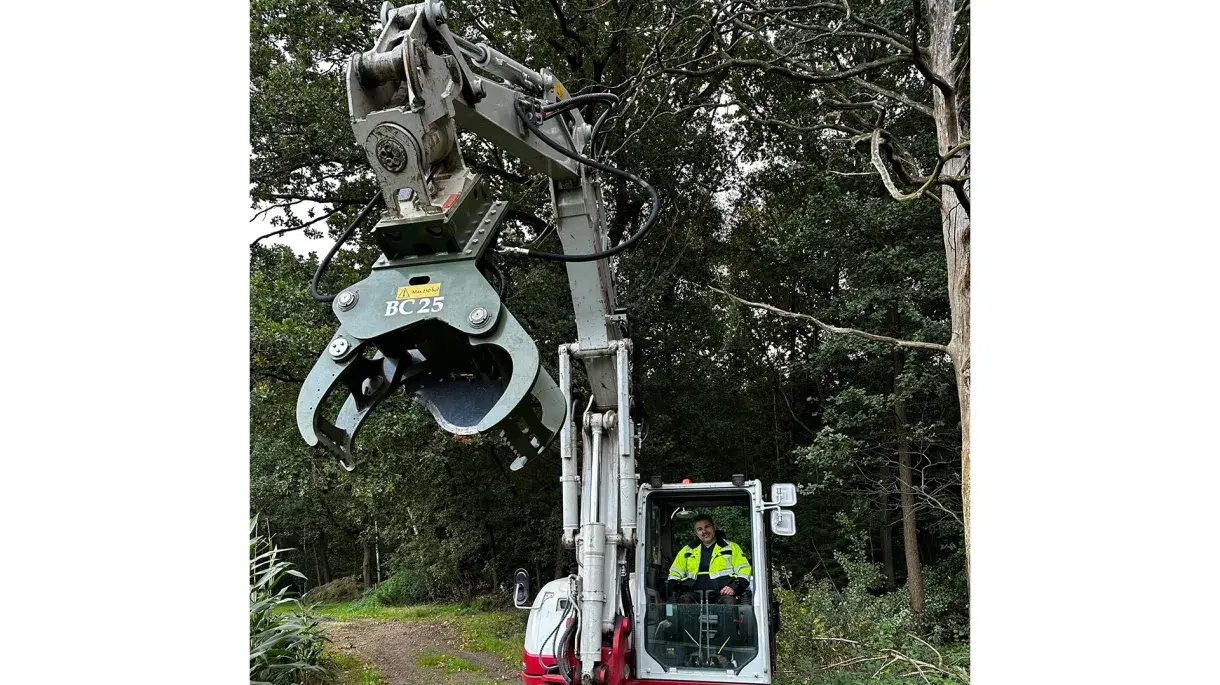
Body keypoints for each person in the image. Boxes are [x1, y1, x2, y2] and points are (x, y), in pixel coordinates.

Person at [665, 514, 752, 604]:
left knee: (728, 601)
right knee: (684, 600)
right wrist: (675, 589)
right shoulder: (686, 550)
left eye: (707, 527)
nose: (704, 531)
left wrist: (733, 587)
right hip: (693, 594)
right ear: (696, 533)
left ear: (714, 527)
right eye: (700, 529)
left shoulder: (732, 548)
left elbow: (744, 570)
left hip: (723, 594)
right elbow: (674, 574)